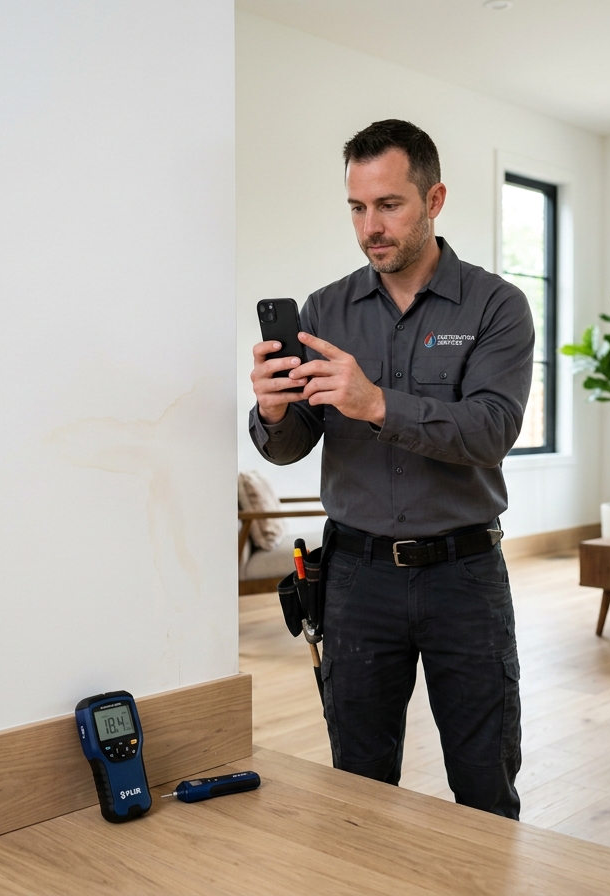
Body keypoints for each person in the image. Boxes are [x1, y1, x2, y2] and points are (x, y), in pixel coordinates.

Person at [248, 119, 533, 819]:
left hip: (465, 579)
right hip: (355, 580)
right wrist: (274, 412)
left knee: (484, 784)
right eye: (356, 207)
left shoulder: (497, 306)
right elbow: (290, 446)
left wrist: (375, 402)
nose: (370, 226)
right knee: (358, 785)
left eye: (389, 205)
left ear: (434, 199)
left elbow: (492, 431)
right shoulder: (325, 311)